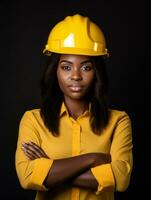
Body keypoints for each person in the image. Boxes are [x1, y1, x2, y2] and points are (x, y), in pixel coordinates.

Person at [15, 14, 133, 200]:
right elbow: (27, 177)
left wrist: (51, 168)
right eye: (66, 67)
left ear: (97, 72)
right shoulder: (33, 120)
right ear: (55, 71)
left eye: (86, 67)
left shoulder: (118, 121)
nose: (76, 76)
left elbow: (121, 178)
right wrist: (93, 158)